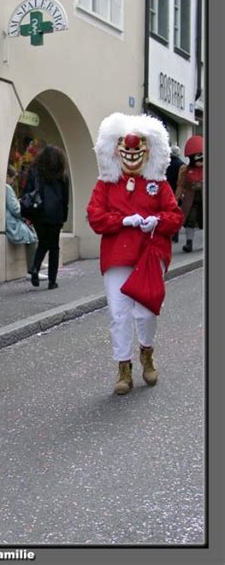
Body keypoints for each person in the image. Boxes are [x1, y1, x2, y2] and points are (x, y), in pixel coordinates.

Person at [87, 112, 183, 395]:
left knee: (144, 313)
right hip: (117, 256)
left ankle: (146, 352)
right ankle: (123, 367)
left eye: (137, 148)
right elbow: (95, 217)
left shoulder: (158, 183)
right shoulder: (106, 183)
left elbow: (174, 216)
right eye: (124, 148)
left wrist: (158, 222)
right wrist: (122, 221)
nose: (130, 154)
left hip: (149, 256)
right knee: (119, 313)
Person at [23, 145, 69, 290]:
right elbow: (65, 198)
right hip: (56, 215)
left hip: (39, 213)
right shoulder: (62, 175)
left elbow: (27, 191)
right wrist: (64, 218)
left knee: (43, 242)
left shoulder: (34, 172)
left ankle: (35, 268)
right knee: (54, 247)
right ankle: (52, 281)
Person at [5, 165, 47, 280]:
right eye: (12, 178)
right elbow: (15, 209)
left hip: (11, 220)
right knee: (32, 237)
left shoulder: (6, 187)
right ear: (8, 176)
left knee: (33, 234)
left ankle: (35, 263)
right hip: (12, 221)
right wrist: (24, 211)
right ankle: (31, 269)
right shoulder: (7, 188)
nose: (13, 181)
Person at [175, 135, 204, 253]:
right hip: (190, 200)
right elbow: (180, 185)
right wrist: (175, 200)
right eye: (199, 157)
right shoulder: (185, 170)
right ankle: (189, 242)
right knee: (189, 221)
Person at [165, 145, 184, 243]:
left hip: (166, 190)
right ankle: (175, 233)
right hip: (177, 191)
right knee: (175, 212)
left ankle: (168, 233)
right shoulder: (181, 164)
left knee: (166, 212)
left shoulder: (166, 163)